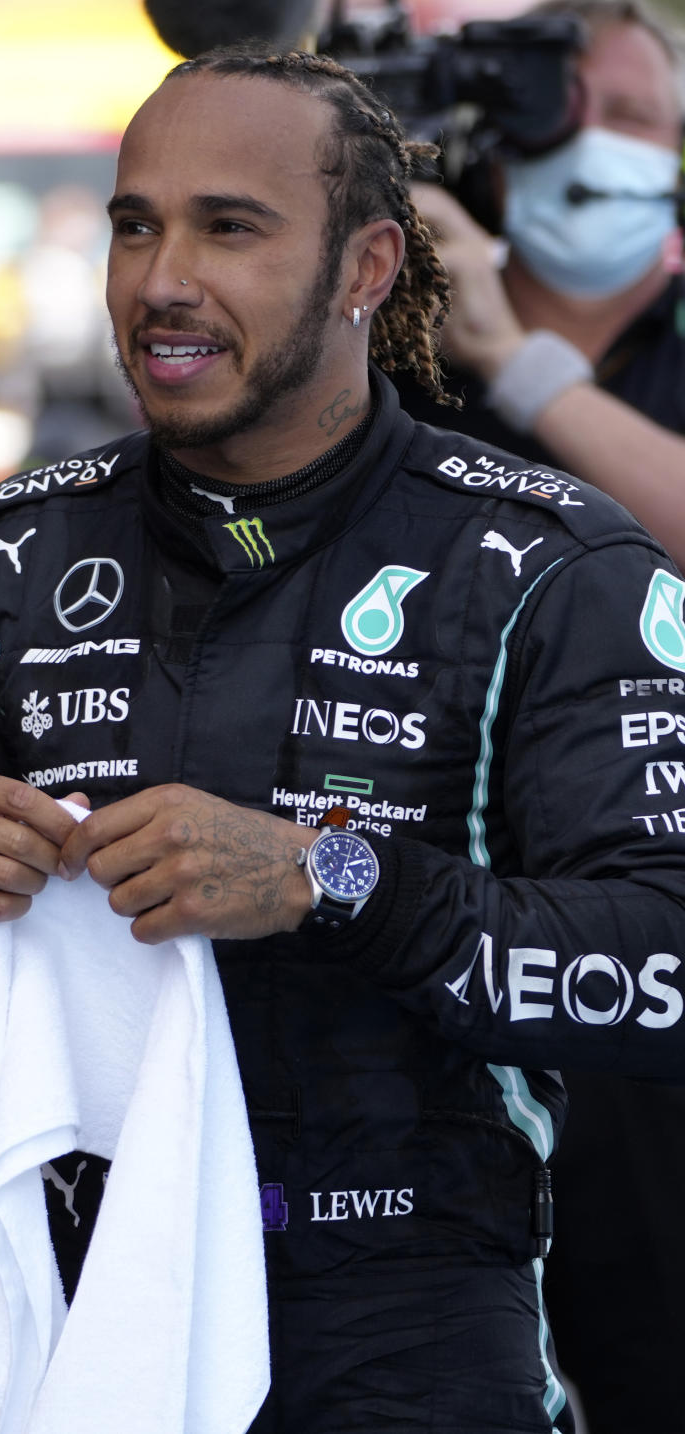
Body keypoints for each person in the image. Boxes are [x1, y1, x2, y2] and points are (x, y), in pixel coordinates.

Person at [0, 43, 685, 1434]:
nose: (161, 280)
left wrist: (329, 877)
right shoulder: (9, 557)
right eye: (135, 224)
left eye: (230, 226)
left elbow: (666, 962)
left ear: (365, 268)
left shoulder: (548, 564)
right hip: (72, 1317)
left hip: (414, 1332)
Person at [397, 6, 685, 1427]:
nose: (627, 155)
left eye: (652, 123)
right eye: (591, 113)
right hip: (436, 1014)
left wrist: (526, 367)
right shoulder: (383, 363)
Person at [401, 0, 685, 568]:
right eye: (552, 112)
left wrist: (511, 360)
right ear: (486, 153)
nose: (588, 143)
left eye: (630, 114)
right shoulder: (393, 336)